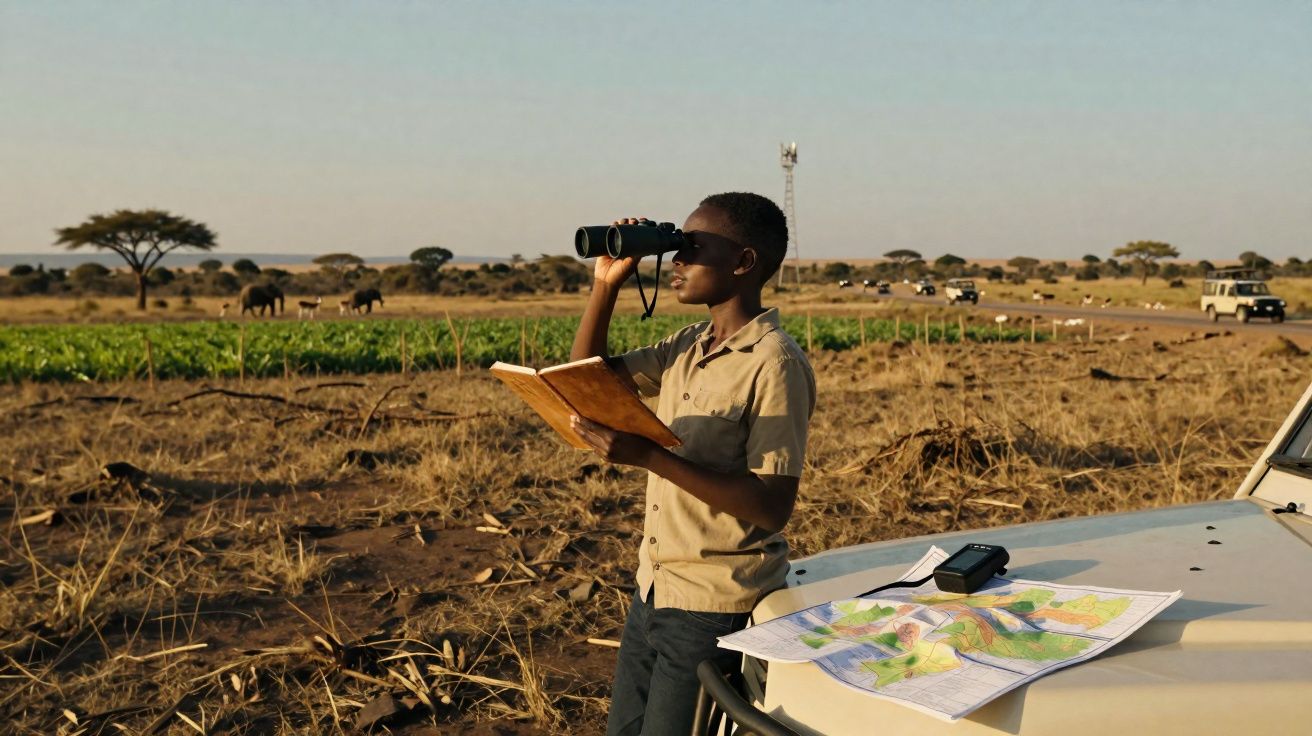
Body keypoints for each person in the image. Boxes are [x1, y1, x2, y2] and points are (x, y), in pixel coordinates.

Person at [568, 192, 816, 736]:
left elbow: (772, 507)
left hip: (713, 605)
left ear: (744, 263)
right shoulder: (687, 344)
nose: (676, 261)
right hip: (653, 586)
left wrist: (649, 457)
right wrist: (605, 287)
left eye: (692, 248)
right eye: (675, 246)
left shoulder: (775, 364)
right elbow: (585, 385)